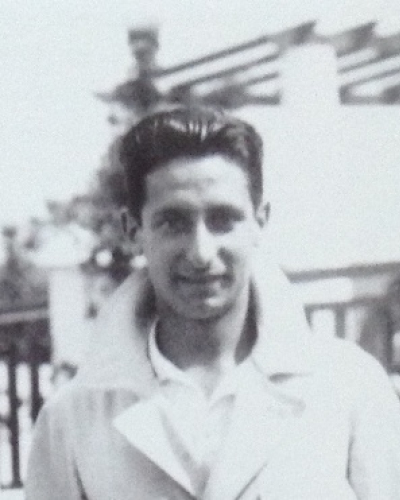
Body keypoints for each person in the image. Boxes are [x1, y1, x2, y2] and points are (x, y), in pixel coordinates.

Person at [26, 107, 400, 499]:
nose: (201, 253)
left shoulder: (348, 387)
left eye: (223, 220)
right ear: (134, 230)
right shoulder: (74, 419)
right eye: (173, 223)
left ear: (259, 221)